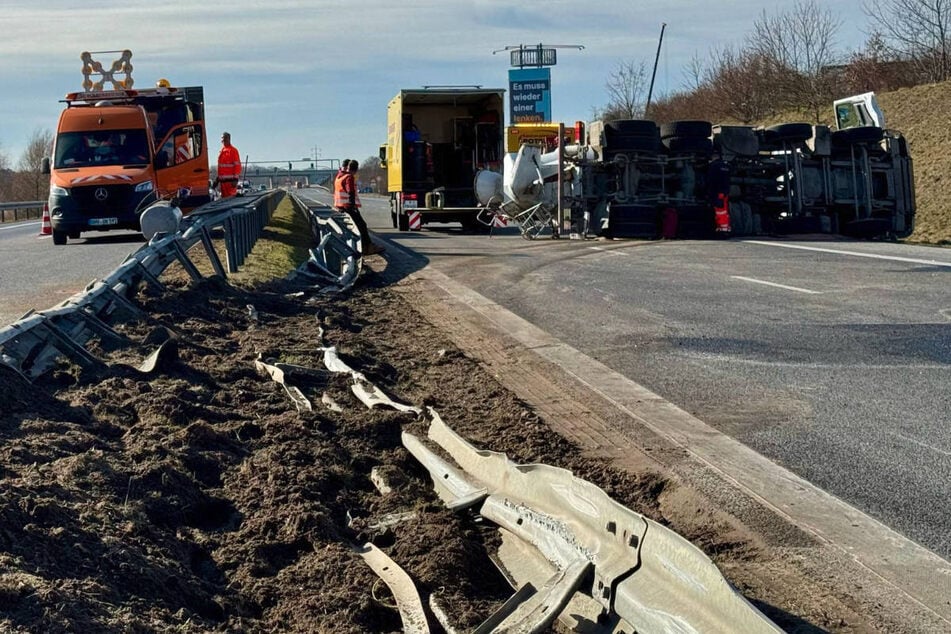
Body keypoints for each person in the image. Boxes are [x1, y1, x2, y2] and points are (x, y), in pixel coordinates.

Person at [334, 159, 384, 255]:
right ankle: (367, 247)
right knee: (362, 226)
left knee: (357, 227)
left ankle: (363, 247)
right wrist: (353, 206)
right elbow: (351, 192)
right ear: (356, 169)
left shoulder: (339, 177)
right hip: (348, 207)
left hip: (341, 207)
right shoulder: (349, 177)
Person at [214, 132, 241, 198]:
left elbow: (237, 166)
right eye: (222, 138)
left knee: (230, 201)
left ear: (229, 139)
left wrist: (235, 179)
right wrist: (217, 179)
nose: (223, 140)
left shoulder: (233, 151)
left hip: (230, 183)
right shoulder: (222, 151)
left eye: (224, 138)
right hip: (223, 183)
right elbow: (221, 168)